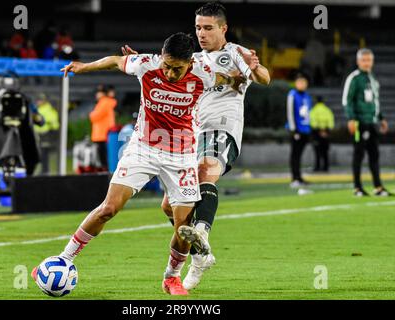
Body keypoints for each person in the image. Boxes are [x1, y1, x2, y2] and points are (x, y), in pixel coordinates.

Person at [32, 32, 245, 296]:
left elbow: (227, 79)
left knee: (184, 226)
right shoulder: (146, 64)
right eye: (166, 65)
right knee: (108, 208)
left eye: (176, 69)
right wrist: (83, 67)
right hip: (143, 149)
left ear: (190, 63)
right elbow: (113, 60)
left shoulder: (204, 73)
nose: (168, 73)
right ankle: (65, 258)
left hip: (181, 156)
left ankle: (172, 277)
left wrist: (239, 79)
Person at [121, 1, 270, 291]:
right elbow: (164, 71)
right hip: (190, 134)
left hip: (221, 127)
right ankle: (201, 255)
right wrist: (144, 61)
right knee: (169, 205)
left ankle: (201, 232)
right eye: (198, 27)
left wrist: (255, 67)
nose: (201, 33)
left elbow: (264, 78)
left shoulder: (234, 53)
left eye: (208, 28)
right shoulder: (194, 59)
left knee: (206, 169)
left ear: (223, 28)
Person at [342, 48, 391, 197]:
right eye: (364, 60)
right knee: (359, 155)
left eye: (369, 60)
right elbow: (347, 100)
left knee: (374, 155)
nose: (366, 63)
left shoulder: (373, 78)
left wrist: (381, 118)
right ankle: (357, 187)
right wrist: (351, 118)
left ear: (372, 61)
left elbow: (375, 101)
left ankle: (378, 187)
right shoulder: (354, 78)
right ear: (358, 61)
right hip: (359, 122)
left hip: (372, 122)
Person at [287, 73, 312, 188]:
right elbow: (290, 112)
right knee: (295, 155)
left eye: (304, 82)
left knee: (299, 155)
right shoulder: (292, 95)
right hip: (297, 130)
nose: (302, 84)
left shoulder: (307, 96)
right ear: (296, 83)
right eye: (300, 82)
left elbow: (308, 114)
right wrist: (294, 130)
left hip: (305, 129)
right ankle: (294, 178)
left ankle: (299, 177)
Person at [89, 85, 117, 171]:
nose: (97, 95)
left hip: (103, 134)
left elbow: (94, 116)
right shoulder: (104, 102)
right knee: (104, 157)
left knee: (105, 157)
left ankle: (106, 173)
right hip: (102, 134)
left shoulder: (104, 102)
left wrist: (91, 114)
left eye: (99, 93)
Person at [34, 93, 60, 174]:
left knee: (44, 155)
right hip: (39, 135)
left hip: (46, 136)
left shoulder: (48, 109)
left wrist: (49, 129)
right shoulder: (40, 109)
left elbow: (54, 124)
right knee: (41, 155)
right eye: (38, 100)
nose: (38, 102)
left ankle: (45, 171)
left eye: (40, 100)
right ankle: (43, 170)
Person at [310, 96, 334, 172]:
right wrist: (326, 131)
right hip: (326, 133)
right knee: (325, 152)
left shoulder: (314, 110)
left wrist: (319, 131)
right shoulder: (327, 110)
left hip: (316, 134)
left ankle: (317, 167)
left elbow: (312, 122)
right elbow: (331, 123)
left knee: (317, 151)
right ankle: (325, 167)